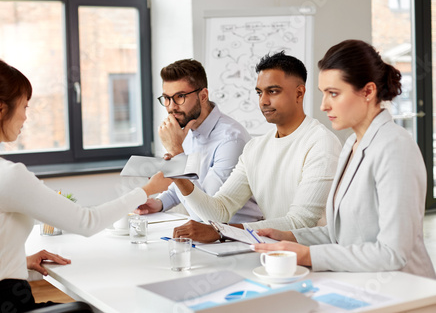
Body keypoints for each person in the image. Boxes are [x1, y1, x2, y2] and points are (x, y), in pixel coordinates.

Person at [0, 56, 172, 312]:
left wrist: (18, 262)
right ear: (0, 109)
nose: (26, 117)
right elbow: (87, 222)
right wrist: (147, 190)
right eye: (24, 106)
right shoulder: (5, 175)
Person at [252, 39, 436, 279]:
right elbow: (342, 235)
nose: (324, 105)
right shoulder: (352, 143)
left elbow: (393, 253)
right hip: (361, 282)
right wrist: (289, 237)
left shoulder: (395, 148)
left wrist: (307, 255)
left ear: (368, 91)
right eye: (323, 94)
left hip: (404, 289)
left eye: (334, 94)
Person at [171, 52, 342, 242]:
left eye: (273, 91)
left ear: (299, 93)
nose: (263, 101)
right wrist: (178, 174)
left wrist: (221, 231)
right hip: (272, 253)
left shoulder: (322, 143)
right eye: (260, 92)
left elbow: (300, 223)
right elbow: (220, 211)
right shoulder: (255, 148)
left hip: (314, 259)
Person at [135, 59, 263, 223]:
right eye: (166, 98)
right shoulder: (186, 129)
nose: (171, 107)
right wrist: (159, 203)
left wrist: (176, 152)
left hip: (239, 234)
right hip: (211, 234)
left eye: (180, 97)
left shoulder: (231, 140)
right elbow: (185, 186)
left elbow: (206, 212)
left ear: (203, 96)